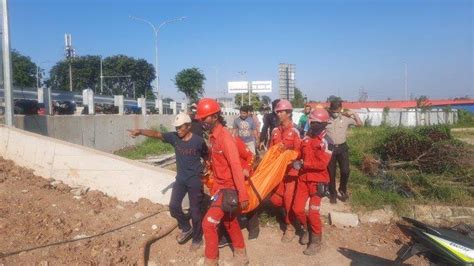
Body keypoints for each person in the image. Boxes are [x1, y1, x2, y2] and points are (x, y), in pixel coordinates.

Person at [128, 113, 208, 251]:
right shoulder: (174, 137)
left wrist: (206, 169)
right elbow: (157, 134)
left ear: (188, 126)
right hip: (181, 179)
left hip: (195, 180)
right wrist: (140, 131)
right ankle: (186, 227)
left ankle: (197, 238)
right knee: (174, 206)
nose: (178, 130)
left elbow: (206, 155)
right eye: (176, 127)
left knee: (195, 212)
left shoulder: (198, 141)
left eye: (180, 127)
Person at [195, 98, 250, 266]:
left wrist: (242, 194)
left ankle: (211, 261)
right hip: (219, 187)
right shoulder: (213, 137)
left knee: (208, 224)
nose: (202, 122)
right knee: (229, 220)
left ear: (215, 116)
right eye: (201, 119)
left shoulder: (225, 137)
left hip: (228, 188)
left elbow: (235, 166)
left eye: (205, 118)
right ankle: (241, 255)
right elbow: (219, 163)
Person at [292, 109, 332, 255]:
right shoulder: (306, 138)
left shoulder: (328, 141)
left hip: (318, 180)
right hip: (303, 179)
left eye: (315, 123)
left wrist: (304, 164)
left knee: (313, 212)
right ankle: (306, 229)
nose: (312, 124)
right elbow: (299, 154)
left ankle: (316, 241)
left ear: (324, 124)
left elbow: (322, 164)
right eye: (311, 122)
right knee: (297, 209)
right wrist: (293, 158)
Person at [269, 99, 302, 243]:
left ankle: (290, 227)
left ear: (289, 113)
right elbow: (271, 150)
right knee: (275, 200)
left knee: (288, 199)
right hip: (278, 172)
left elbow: (300, 152)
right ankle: (287, 216)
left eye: (282, 111)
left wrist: (288, 152)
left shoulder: (295, 131)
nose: (279, 114)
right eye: (278, 111)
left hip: (290, 173)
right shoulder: (275, 131)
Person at [326, 98, 362, 204]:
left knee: (345, 171)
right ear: (330, 109)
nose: (335, 113)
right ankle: (332, 194)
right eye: (333, 111)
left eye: (337, 111)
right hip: (330, 148)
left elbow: (359, 124)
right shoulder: (326, 119)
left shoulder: (346, 118)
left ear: (341, 109)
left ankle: (342, 189)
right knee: (330, 173)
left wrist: (354, 114)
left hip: (342, 148)